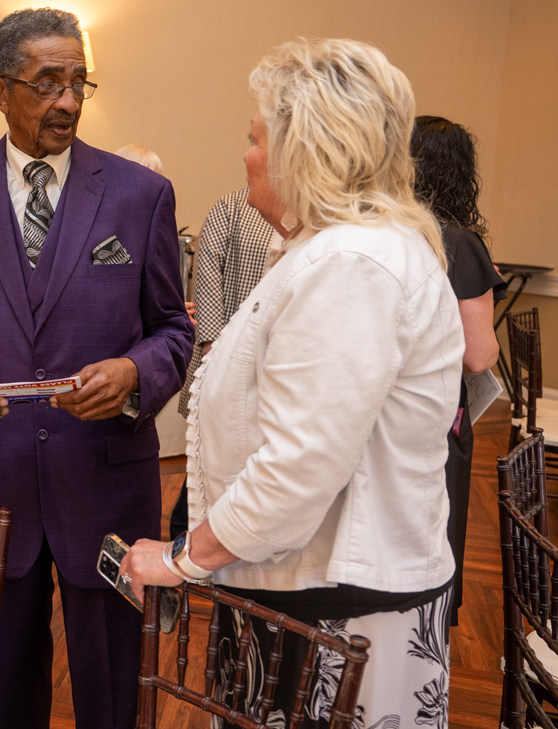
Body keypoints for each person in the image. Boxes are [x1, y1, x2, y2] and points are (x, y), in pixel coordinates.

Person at [121, 38, 462, 726]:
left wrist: (184, 557)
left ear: (304, 150)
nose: (245, 155)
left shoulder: (353, 264)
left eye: (255, 138)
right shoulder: (336, 249)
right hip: (306, 589)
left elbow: (299, 466)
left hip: (335, 613)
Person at [0, 8, 194, 729]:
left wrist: (134, 374)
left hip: (107, 488)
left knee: (115, 693)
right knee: (4, 693)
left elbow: (172, 331)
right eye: (48, 83)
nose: (68, 101)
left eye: (78, 83)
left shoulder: (139, 195)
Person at [411, 115, 505, 626]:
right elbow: (478, 356)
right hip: (436, 418)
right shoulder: (457, 242)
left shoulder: (391, 234)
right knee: (435, 537)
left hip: (389, 412)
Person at [168, 189, 275, 541]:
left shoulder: (308, 212)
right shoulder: (232, 207)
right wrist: (215, 354)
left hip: (274, 368)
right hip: (222, 362)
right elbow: (207, 278)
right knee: (207, 465)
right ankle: (186, 540)